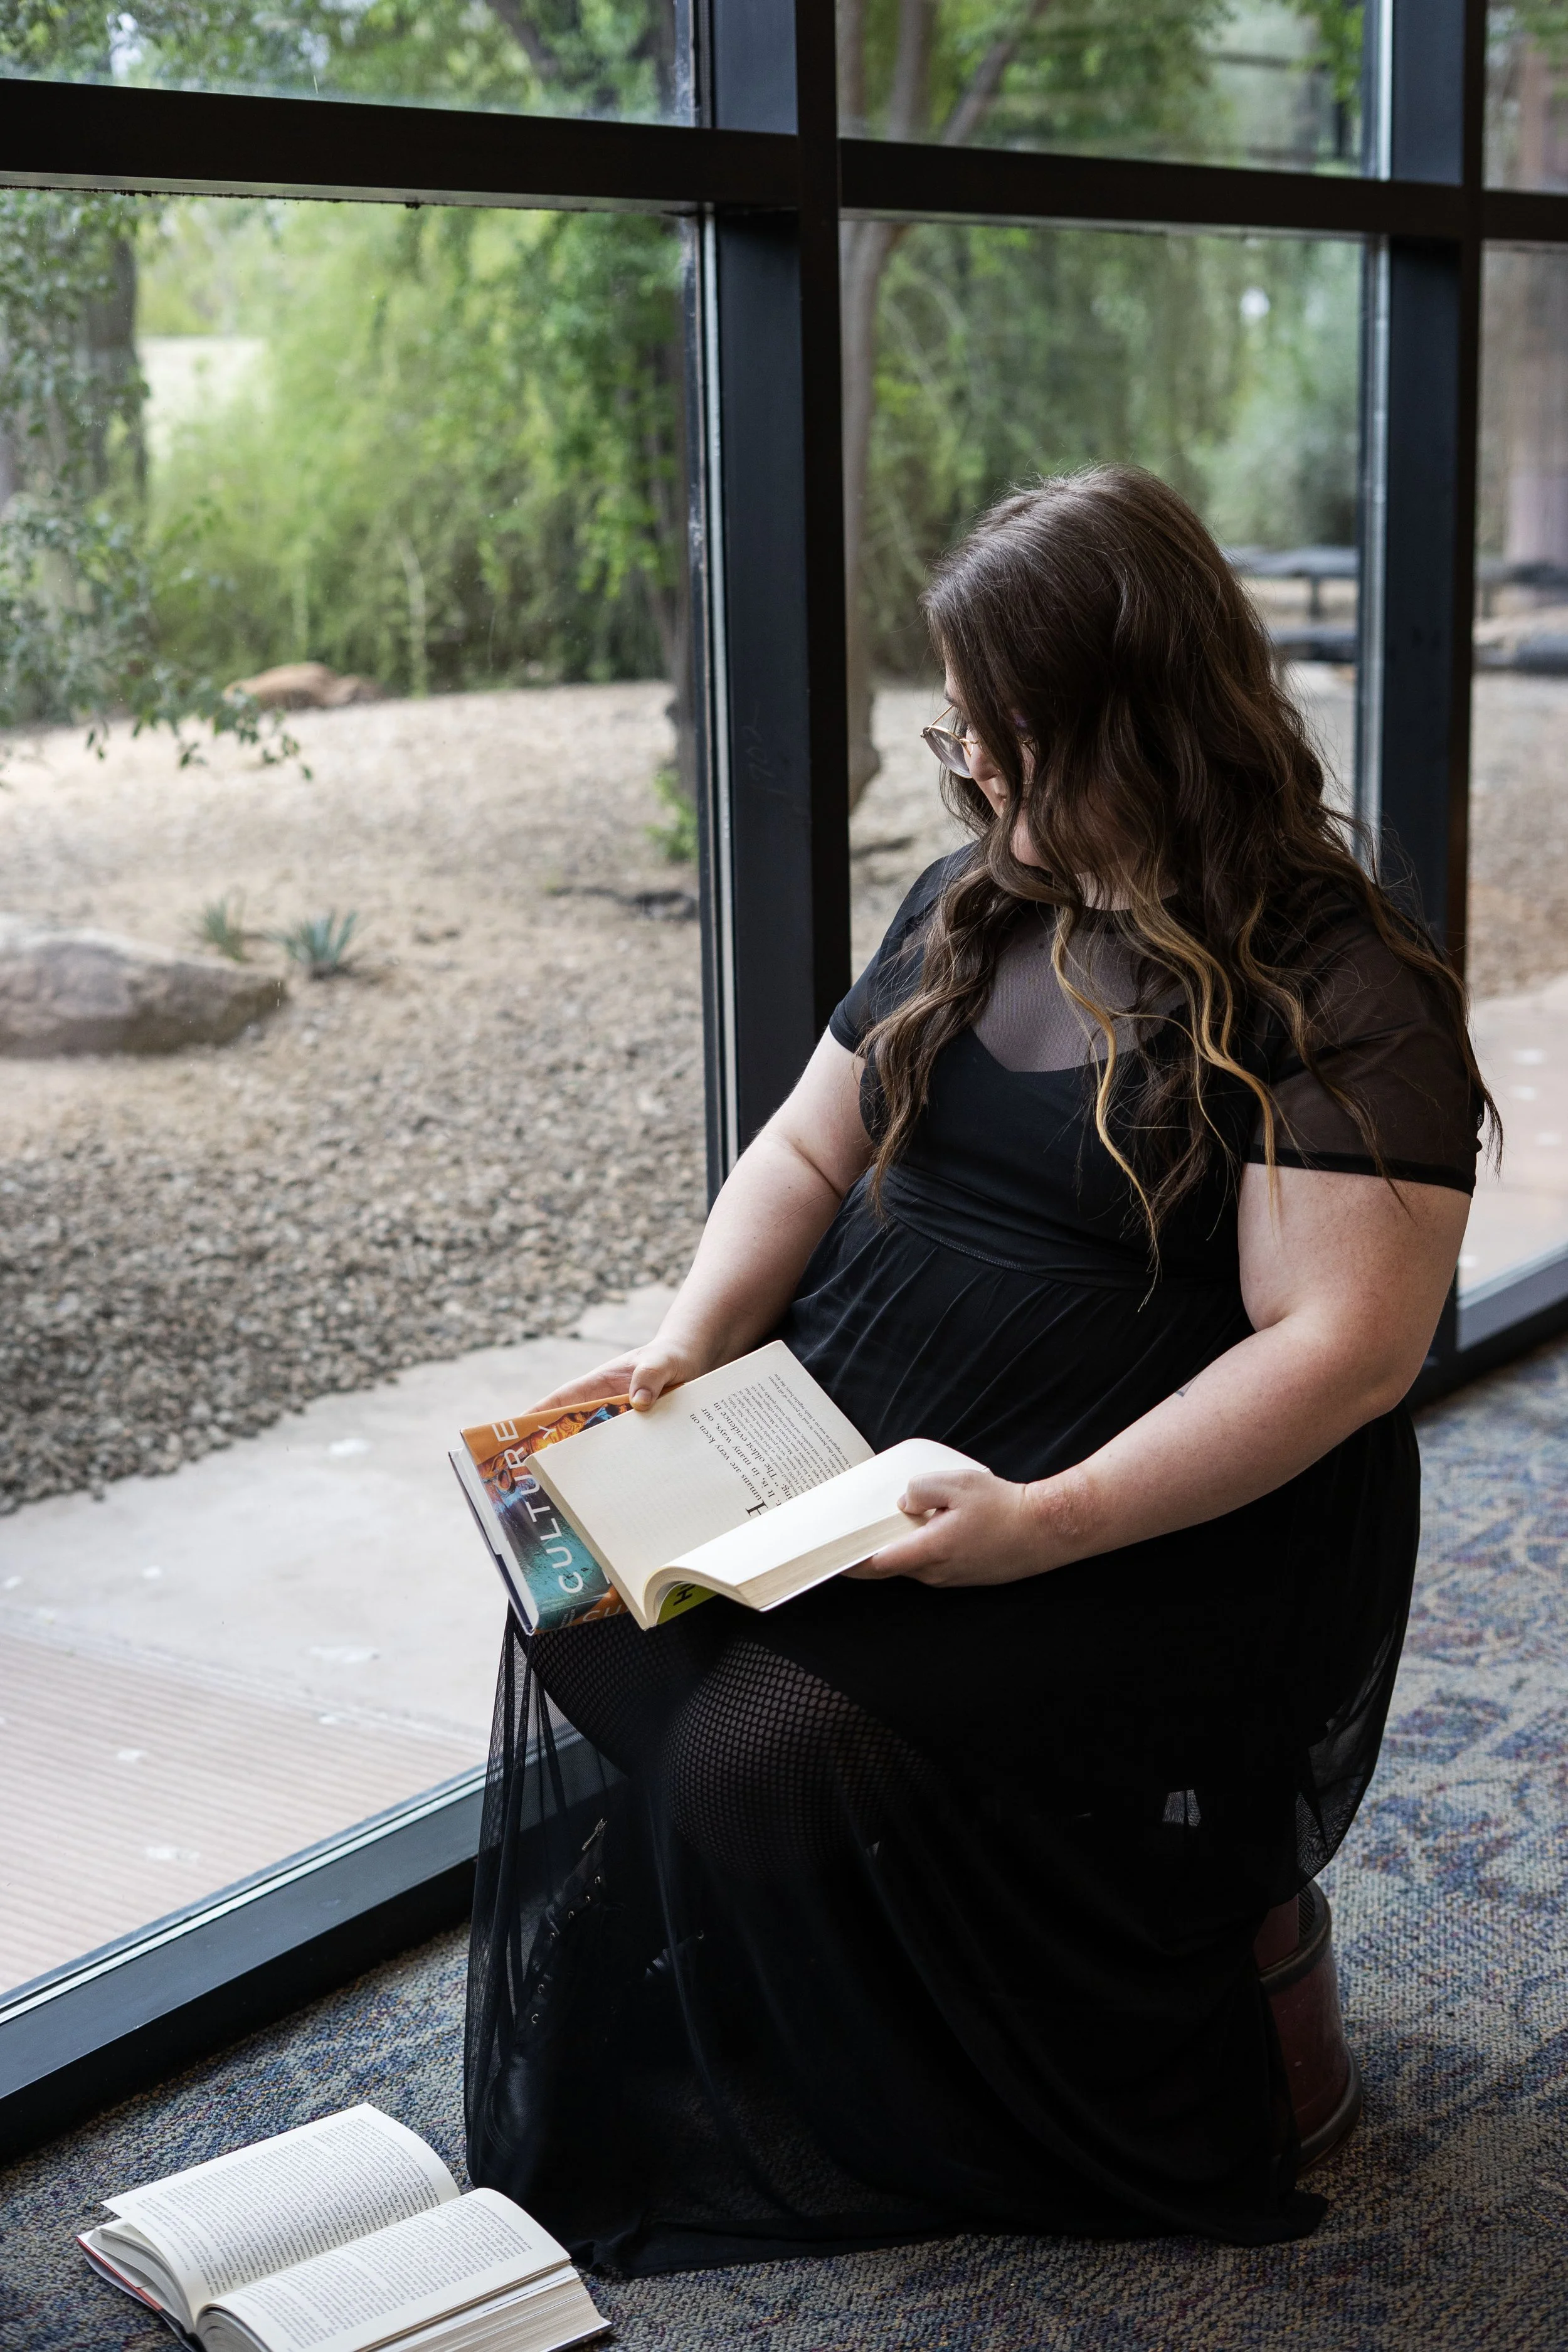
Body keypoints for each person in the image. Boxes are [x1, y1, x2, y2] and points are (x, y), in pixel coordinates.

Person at [464, 466, 1493, 2270]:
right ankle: (831, 1977)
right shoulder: (980, 899)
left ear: (1129, 721)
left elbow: (1340, 1352)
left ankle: (982, 2036)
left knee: (758, 1760)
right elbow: (803, 1152)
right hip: (860, 1426)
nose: (967, 763)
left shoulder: (1332, 983)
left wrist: (1037, 1523)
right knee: (582, 1593)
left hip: (1133, 1519)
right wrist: (687, 1344)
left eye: (998, 728)